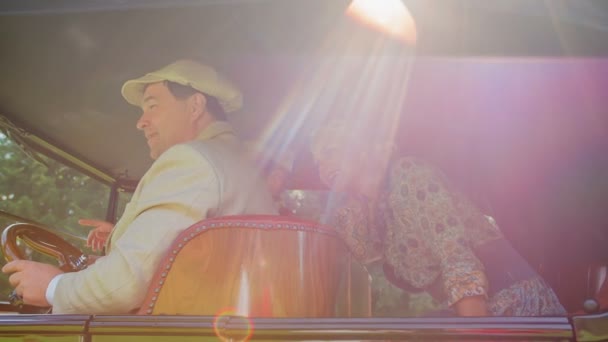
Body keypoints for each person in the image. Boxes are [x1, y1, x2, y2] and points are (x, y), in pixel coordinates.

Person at [2, 59, 277, 314]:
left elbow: (128, 281)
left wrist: (54, 287)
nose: (140, 122)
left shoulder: (193, 159)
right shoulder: (235, 163)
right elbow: (182, 261)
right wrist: (118, 241)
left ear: (195, 107)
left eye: (153, 106)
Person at [310, 118, 567, 317]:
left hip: (515, 307)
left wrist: (477, 332)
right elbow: (354, 255)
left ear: (362, 149)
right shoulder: (374, 210)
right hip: (469, 313)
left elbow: (456, 257)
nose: (322, 166)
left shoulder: (409, 174)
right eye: (318, 160)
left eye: (331, 151)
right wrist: (351, 200)